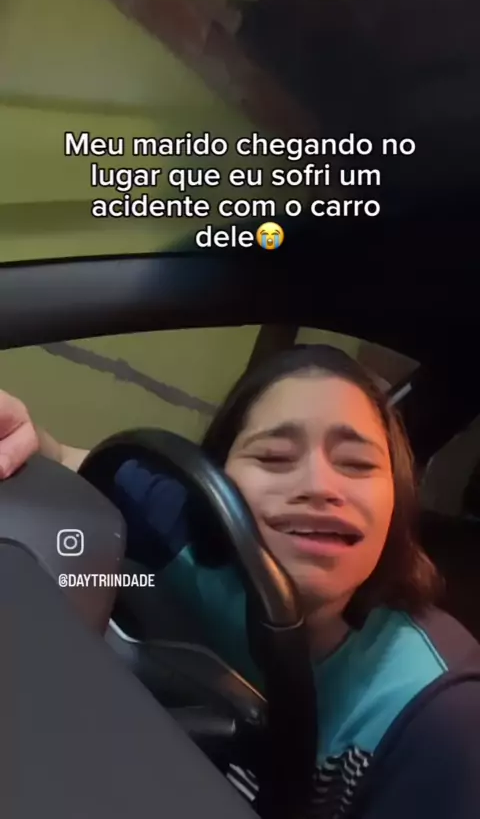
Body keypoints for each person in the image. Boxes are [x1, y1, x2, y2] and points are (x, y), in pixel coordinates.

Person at [0, 345, 479, 819]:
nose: (320, 486)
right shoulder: (179, 532)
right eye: (274, 456)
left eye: (356, 463)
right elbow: (65, 456)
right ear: (218, 479)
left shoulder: (439, 715)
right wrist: (21, 435)